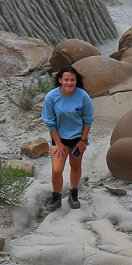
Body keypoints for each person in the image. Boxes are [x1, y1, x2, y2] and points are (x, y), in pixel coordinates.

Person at [41, 64, 94, 211]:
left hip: (78, 137)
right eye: (66, 80)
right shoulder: (52, 96)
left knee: (75, 166)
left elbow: (88, 119)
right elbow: (49, 122)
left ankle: (73, 194)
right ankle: (56, 197)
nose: (69, 83)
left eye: (72, 80)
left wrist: (83, 141)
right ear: (60, 80)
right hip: (59, 137)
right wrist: (58, 144)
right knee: (57, 170)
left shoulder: (83, 96)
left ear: (76, 81)